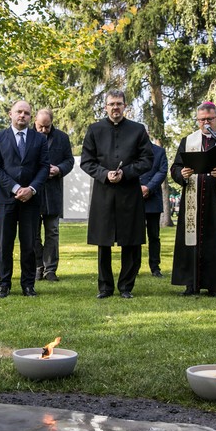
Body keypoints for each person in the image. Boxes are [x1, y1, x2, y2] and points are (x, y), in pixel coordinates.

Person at [80, 90, 153, 299]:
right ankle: (105, 287)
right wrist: (104, 174)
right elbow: (86, 161)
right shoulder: (94, 130)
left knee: (131, 241)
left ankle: (126, 286)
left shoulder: (138, 130)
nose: (115, 108)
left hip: (129, 192)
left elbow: (147, 160)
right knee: (103, 242)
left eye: (119, 104)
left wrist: (126, 173)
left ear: (125, 106)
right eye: (111, 104)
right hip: (103, 192)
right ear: (105, 107)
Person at [171, 102, 216, 298]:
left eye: (209, 119)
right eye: (202, 119)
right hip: (192, 201)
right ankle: (190, 284)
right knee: (191, 240)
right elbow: (175, 169)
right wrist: (183, 173)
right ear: (197, 120)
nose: (206, 123)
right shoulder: (188, 141)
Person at [0, 100, 50, 298]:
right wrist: (16, 188)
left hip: (31, 201)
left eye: (26, 113)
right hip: (6, 199)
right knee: (5, 244)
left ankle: (28, 285)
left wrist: (31, 189)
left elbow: (44, 167)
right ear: (10, 114)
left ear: (31, 117)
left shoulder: (39, 139)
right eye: (19, 112)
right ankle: (4, 285)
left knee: (30, 244)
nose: (22, 115)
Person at [32, 108, 74, 282]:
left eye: (47, 127)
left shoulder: (62, 138)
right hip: (33, 192)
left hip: (53, 192)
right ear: (35, 122)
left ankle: (50, 269)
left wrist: (59, 169)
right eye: (41, 126)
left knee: (52, 232)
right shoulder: (27, 136)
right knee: (33, 233)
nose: (43, 130)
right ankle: (37, 267)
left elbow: (69, 161)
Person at [138, 137, 168, 278]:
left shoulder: (159, 151)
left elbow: (162, 172)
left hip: (153, 198)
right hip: (134, 198)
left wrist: (148, 187)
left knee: (154, 236)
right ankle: (133, 267)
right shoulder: (131, 151)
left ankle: (155, 267)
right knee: (135, 236)